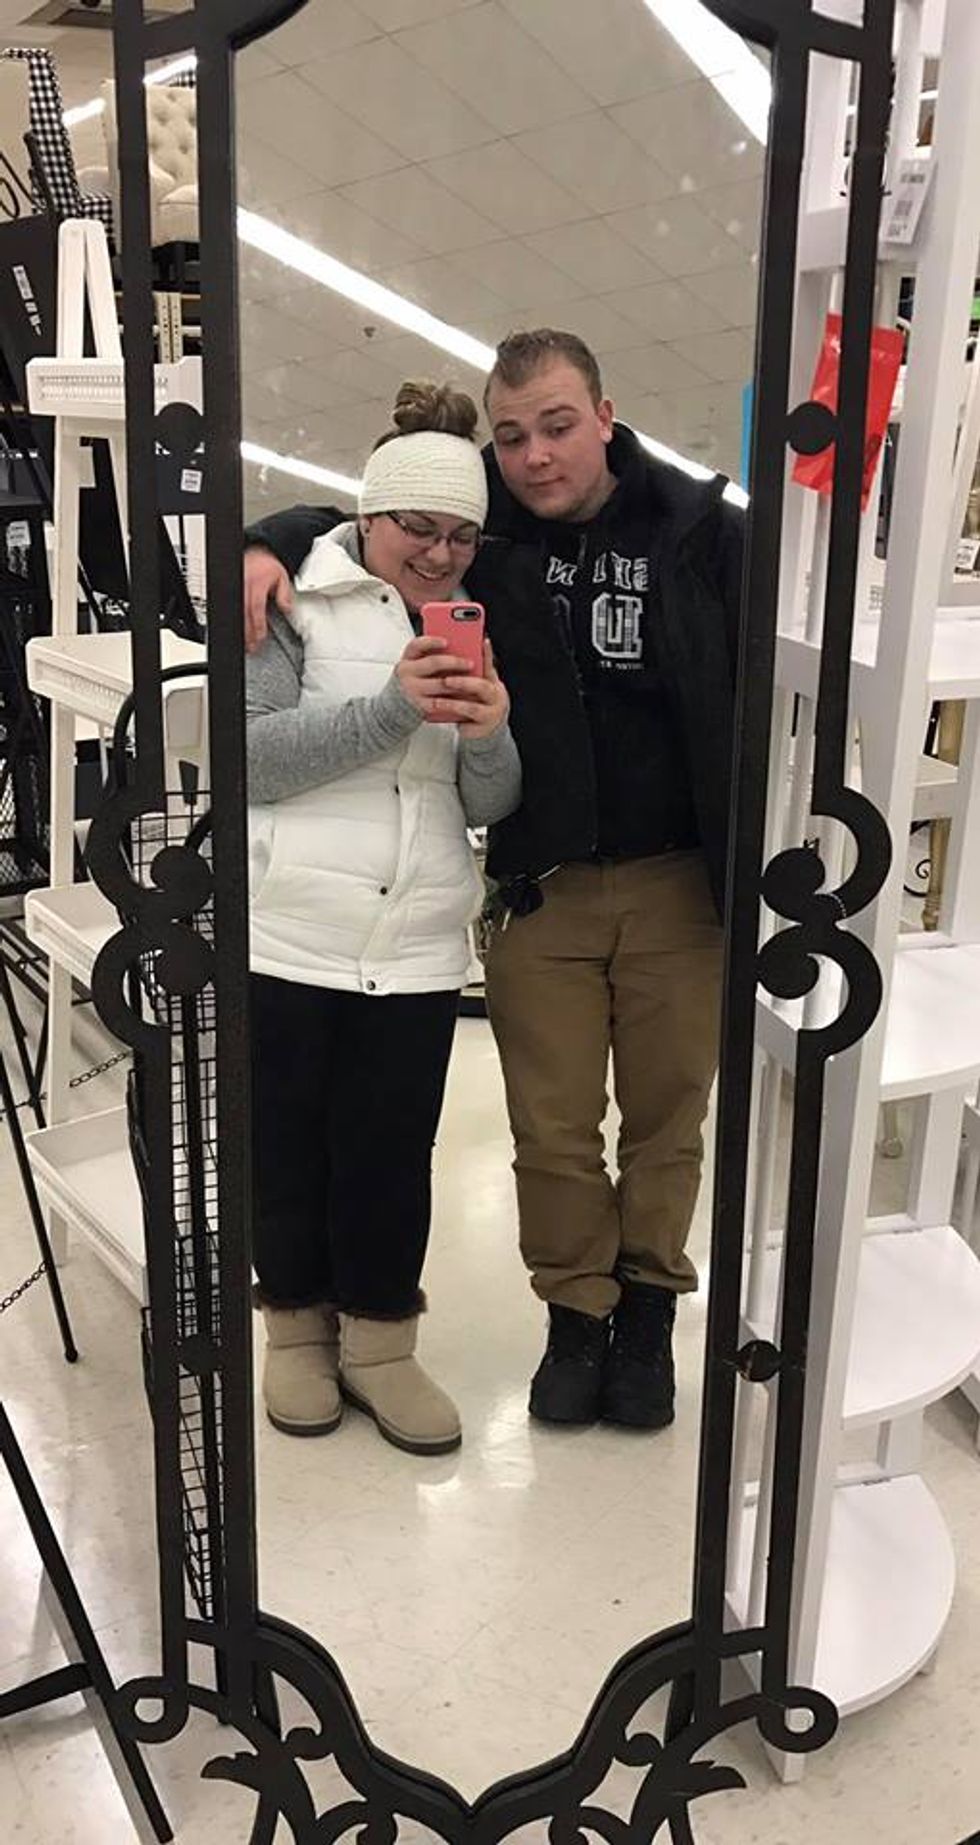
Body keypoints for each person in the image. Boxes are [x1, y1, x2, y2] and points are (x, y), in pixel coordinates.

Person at [244, 329, 743, 1434]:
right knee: (548, 1128)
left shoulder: (698, 530)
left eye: (557, 426)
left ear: (604, 415)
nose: (534, 456)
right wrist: (260, 536)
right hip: (533, 883)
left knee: (665, 1120)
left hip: (670, 879)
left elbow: (779, 660)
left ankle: (646, 1318)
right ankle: (574, 1319)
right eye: (511, 436)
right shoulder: (472, 532)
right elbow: (375, 509)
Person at [247, 380, 519, 1456]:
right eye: (418, 527)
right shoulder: (288, 599)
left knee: (390, 1156)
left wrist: (489, 735)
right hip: (289, 932)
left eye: (462, 536)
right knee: (286, 1149)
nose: (441, 555)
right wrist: (393, 707)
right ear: (368, 514)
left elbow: (488, 802)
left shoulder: (473, 621)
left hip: (415, 946)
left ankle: (380, 1346)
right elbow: (250, 760)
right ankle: (295, 1334)